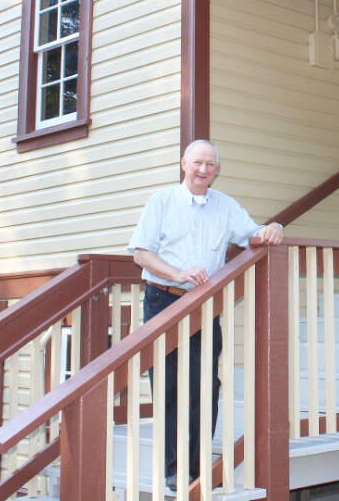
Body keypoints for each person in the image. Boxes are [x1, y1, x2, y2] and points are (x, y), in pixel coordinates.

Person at [128, 139, 283, 488]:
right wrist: (177, 273)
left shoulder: (226, 206)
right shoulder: (162, 201)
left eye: (210, 164)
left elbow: (253, 234)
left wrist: (275, 228)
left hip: (204, 305)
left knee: (206, 386)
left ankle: (198, 468)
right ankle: (172, 467)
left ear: (217, 170)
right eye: (197, 163)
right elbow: (141, 254)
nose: (203, 170)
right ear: (184, 164)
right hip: (163, 299)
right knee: (168, 385)